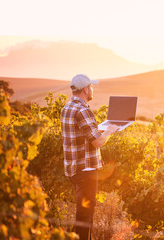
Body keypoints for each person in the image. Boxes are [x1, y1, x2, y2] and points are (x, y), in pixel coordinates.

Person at [61, 74, 119, 239]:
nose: (92, 89)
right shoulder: (83, 109)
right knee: (85, 216)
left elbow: (82, 133)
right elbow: (97, 142)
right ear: (86, 89)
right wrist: (109, 130)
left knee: (82, 214)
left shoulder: (68, 108)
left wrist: (98, 128)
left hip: (73, 169)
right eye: (91, 87)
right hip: (85, 170)